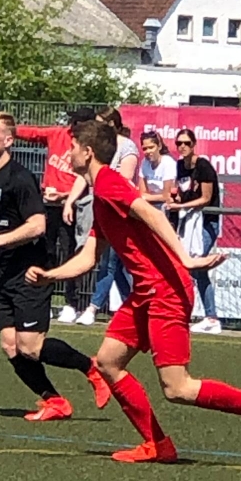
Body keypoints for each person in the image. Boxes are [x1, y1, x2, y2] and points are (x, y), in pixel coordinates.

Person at [26, 120, 241, 464]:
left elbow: (151, 213)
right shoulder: (100, 195)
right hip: (145, 292)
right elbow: (89, 257)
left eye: (73, 146)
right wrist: (50, 276)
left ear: (87, 152)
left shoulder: (108, 183)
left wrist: (185, 258)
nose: (67, 152)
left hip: (166, 290)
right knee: (107, 362)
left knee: (177, 388)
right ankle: (157, 444)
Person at [0, 111, 110, 421]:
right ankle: (55, 401)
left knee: (30, 347)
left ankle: (91, 367)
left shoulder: (20, 178)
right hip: (6, 269)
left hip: (31, 270)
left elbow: (38, 225)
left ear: (8, 141)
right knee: (10, 345)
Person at [16, 108, 95, 323]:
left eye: (77, 122)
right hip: (48, 205)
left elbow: (86, 180)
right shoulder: (57, 134)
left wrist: (65, 196)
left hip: (72, 206)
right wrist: (7, 129)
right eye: (73, 121)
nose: (72, 125)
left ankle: (72, 303)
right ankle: (45, 299)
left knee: (71, 253)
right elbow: (32, 133)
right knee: (45, 252)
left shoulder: (89, 146)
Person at [72, 107, 137, 327]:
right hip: (99, 206)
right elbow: (84, 175)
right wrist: (70, 201)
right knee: (112, 265)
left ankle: (93, 307)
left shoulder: (126, 147)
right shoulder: (96, 151)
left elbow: (124, 182)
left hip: (116, 210)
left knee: (108, 263)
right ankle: (133, 306)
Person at [168, 128, 222, 335]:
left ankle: (211, 317)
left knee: (197, 266)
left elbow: (205, 199)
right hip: (188, 222)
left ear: (194, 144)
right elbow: (183, 193)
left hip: (206, 223)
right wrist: (175, 200)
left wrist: (181, 206)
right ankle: (189, 313)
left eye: (186, 143)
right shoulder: (180, 166)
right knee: (186, 266)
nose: (182, 147)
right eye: (179, 143)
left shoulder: (203, 166)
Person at [138, 130, 175, 210]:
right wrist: (148, 197)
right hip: (150, 205)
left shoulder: (168, 162)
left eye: (151, 147)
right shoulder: (144, 162)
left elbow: (167, 195)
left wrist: (146, 197)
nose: (148, 151)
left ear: (159, 146)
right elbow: (142, 193)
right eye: (145, 149)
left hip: (166, 207)